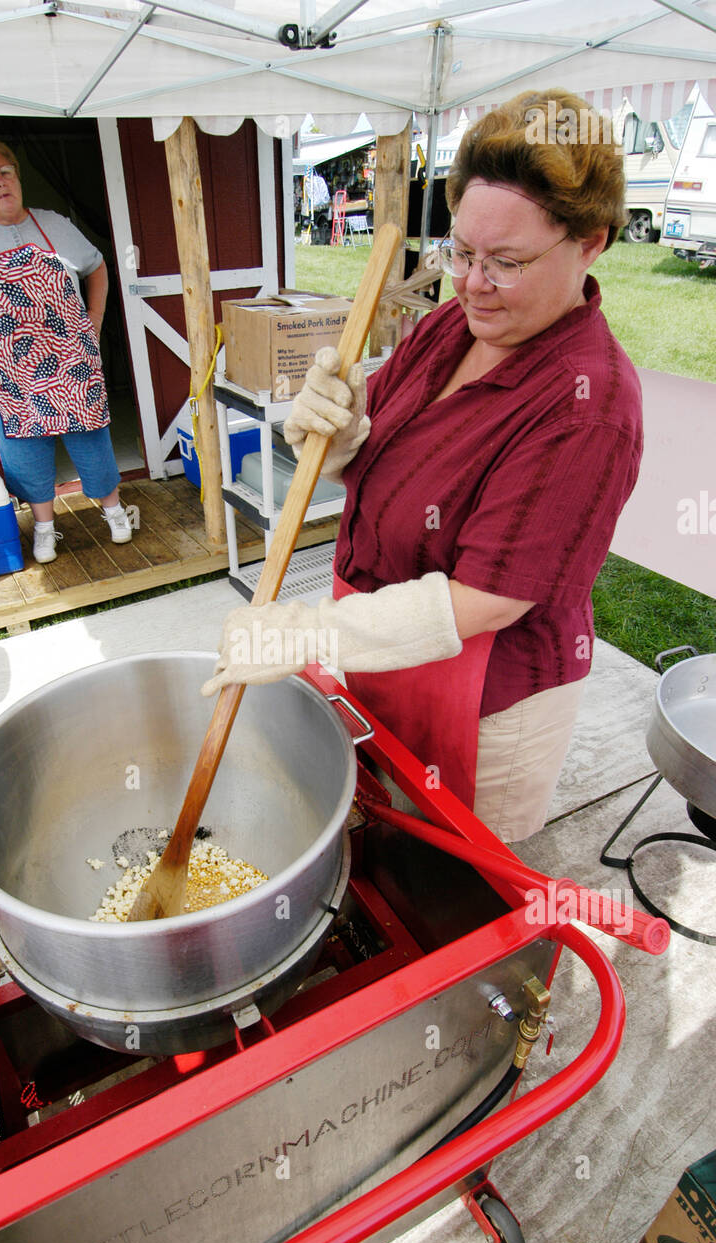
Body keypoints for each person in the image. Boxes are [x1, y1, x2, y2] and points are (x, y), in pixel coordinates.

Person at [202, 89, 644, 843]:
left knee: (456, 878)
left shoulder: (588, 406)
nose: (472, 282)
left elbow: (487, 602)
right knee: (385, 832)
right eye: (462, 251)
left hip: (484, 703)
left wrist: (308, 634)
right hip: (383, 650)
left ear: (591, 243)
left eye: (506, 262)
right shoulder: (451, 325)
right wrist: (338, 438)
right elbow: (377, 466)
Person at [0, 138, 132, 565]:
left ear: (17, 176)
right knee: (25, 453)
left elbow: (97, 266)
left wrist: (93, 323)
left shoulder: (55, 225)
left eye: (5, 172)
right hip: (8, 373)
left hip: (70, 362)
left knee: (90, 440)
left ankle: (114, 511)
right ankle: (45, 527)